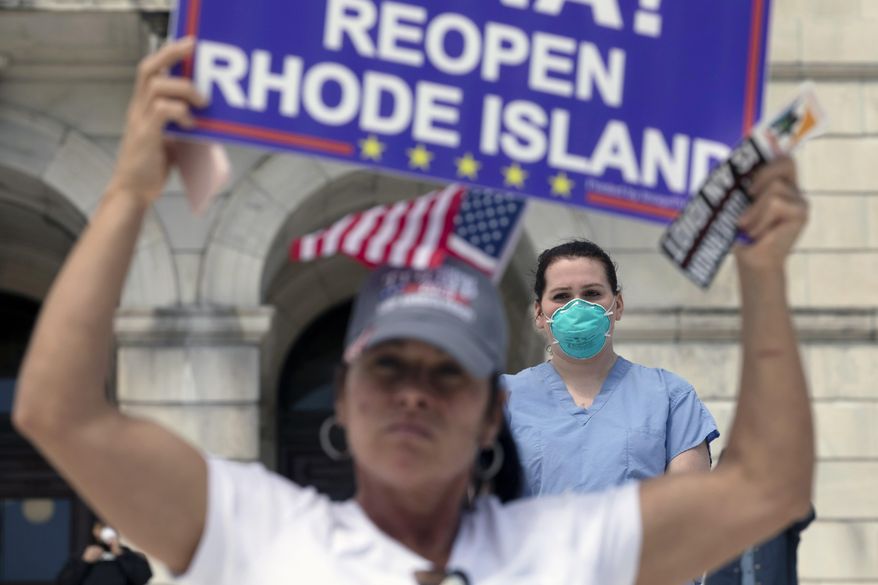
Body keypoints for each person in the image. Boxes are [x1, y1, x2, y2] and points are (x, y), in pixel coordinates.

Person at [13, 37, 813, 585]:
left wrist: (763, 270)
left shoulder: (561, 549)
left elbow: (766, 489)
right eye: (389, 365)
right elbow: (58, 410)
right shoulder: (266, 531)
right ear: (346, 400)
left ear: (490, 415)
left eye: (448, 371)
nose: (415, 391)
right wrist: (127, 194)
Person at [504, 240, 718, 496]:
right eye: (561, 296)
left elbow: (688, 508)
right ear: (539, 313)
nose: (578, 307)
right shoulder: (503, 399)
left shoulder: (671, 397)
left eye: (592, 293)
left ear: (617, 305)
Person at [55, 520, 152, 585]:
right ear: (94, 531)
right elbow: (63, 582)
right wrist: (84, 562)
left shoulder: (130, 556)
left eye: (109, 528)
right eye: (101, 528)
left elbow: (143, 579)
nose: (105, 531)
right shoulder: (82, 557)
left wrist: (121, 555)